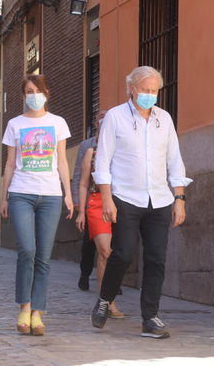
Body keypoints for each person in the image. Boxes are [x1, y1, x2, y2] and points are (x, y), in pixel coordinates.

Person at [90, 66, 191, 339]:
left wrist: (179, 198)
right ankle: (105, 298)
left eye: (154, 91)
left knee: (157, 258)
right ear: (132, 89)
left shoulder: (164, 119)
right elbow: (103, 160)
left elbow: (174, 160)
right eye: (145, 90)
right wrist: (107, 198)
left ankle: (150, 317)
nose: (150, 95)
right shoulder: (115, 117)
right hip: (125, 197)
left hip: (159, 198)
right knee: (122, 253)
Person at [0, 74, 73, 336]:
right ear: (24, 96)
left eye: (37, 90)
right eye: (28, 91)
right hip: (21, 193)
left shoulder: (58, 123)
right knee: (27, 250)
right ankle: (24, 306)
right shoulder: (14, 124)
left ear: (46, 93)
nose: (33, 95)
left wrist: (68, 194)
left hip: (51, 196)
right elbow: (9, 163)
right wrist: (3, 196)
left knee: (43, 256)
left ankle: (38, 313)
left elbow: (62, 161)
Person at [76, 114, 123, 318]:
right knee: (105, 251)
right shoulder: (91, 153)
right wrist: (81, 212)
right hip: (96, 203)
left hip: (122, 202)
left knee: (119, 254)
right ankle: (108, 301)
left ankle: (106, 296)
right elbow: (84, 183)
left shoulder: (124, 153)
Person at [72, 112, 106, 291]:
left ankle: (111, 280)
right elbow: (79, 175)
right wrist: (78, 202)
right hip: (92, 200)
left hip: (113, 201)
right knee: (88, 242)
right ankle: (84, 274)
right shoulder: (87, 146)